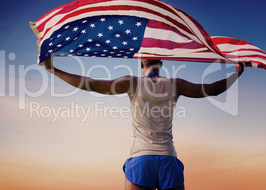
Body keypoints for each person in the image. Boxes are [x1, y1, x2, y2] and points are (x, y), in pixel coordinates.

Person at [44, 57, 244, 190]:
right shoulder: (175, 84)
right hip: (167, 159)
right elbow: (213, 89)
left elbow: (91, 84)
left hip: (141, 160)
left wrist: (53, 70)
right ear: (162, 61)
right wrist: (236, 74)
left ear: (141, 63)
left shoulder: (132, 82)